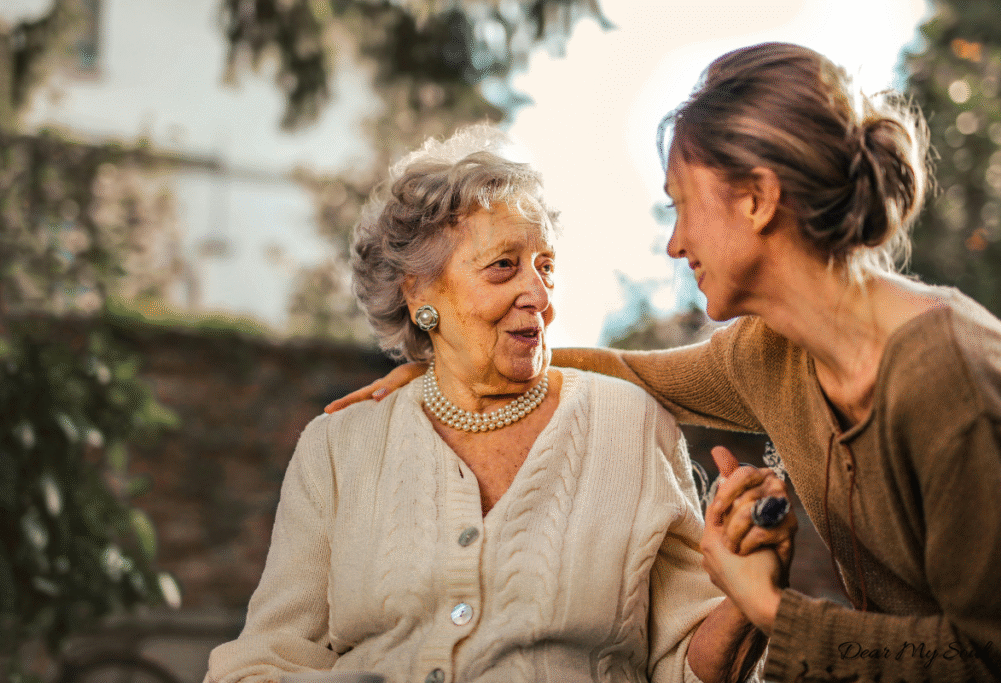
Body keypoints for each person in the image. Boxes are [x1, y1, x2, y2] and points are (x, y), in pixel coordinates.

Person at [326, 44, 1001, 682]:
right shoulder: (770, 353)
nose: (675, 243)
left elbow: (986, 655)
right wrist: (457, 362)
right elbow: (631, 371)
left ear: (758, 198)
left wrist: (772, 610)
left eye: (682, 205)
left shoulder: (948, 376)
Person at [206, 126, 773, 683]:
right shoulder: (337, 447)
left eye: (545, 267)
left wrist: (747, 600)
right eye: (504, 265)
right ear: (419, 291)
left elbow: (686, 668)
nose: (541, 296)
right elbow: (266, 659)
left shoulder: (632, 426)